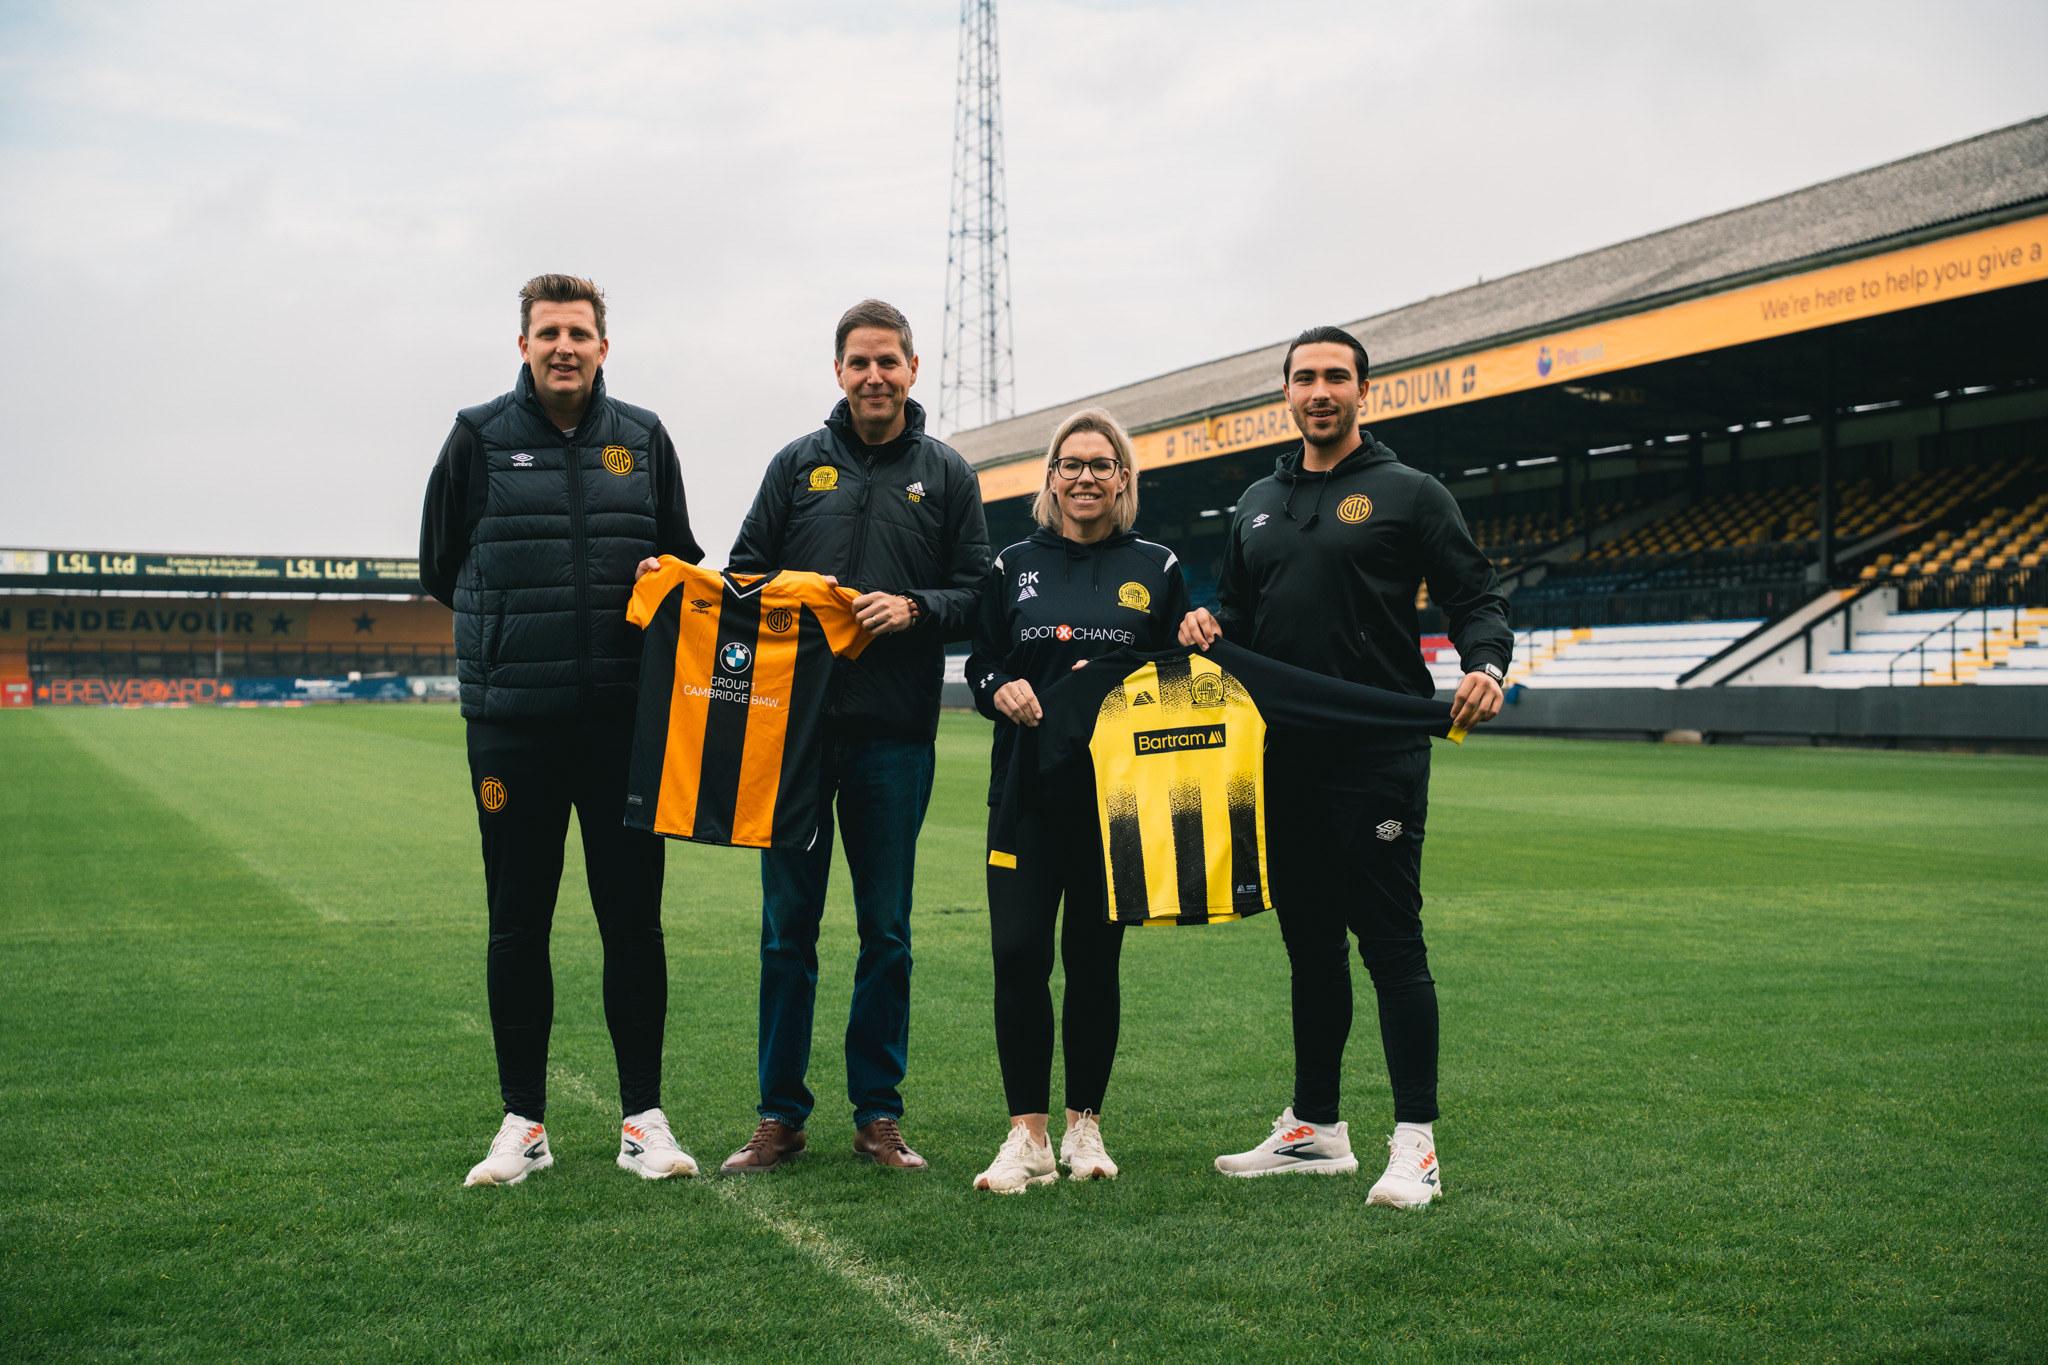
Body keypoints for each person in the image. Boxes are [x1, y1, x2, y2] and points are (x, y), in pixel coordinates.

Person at [1180, 325, 1510, 1207]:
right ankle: (1316, 1129)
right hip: (1280, 759)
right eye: (1303, 377)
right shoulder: (1255, 501)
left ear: (1366, 391)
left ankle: (1418, 1144)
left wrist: (1486, 665)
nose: (1318, 390)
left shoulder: (1411, 493)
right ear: (1284, 394)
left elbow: (1479, 595)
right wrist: (1206, 626)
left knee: (1392, 945)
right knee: (1310, 945)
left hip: (1378, 753)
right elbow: (1239, 617)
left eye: (1335, 376)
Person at [420, 274, 704, 1186]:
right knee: (517, 924)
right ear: (524, 345)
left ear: (604, 347)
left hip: (625, 723)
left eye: (579, 333)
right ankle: (522, 1124)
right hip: (512, 726)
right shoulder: (477, 439)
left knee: (634, 924)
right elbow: (439, 567)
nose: (564, 347)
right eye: (548, 333)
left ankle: (644, 1121)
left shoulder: (645, 438)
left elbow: (682, 561)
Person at [718, 300, 990, 1174]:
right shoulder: (796, 466)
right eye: (858, 362)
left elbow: (979, 592)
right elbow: (743, 576)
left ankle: (879, 1113)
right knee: (785, 931)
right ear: (837, 372)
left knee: (888, 932)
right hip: (792, 739)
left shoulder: (945, 473)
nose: (874, 375)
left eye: (889, 361)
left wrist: (914, 609)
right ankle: (778, 1114)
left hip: (895, 740)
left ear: (913, 367)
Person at [963, 408, 1190, 1192]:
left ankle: (1084, 1126)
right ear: (1050, 477)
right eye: (1071, 463)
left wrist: (1194, 635)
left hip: (1117, 802)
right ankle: (1026, 1134)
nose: (1085, 475)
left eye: (1101, 463)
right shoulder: (1012, 563)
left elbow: (1177, 675)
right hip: (1024, 793)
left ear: (1123, 477)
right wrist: (1002, 687)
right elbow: (980, 663)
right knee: (1018, 955)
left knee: (1095, 964)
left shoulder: (1158, 566)